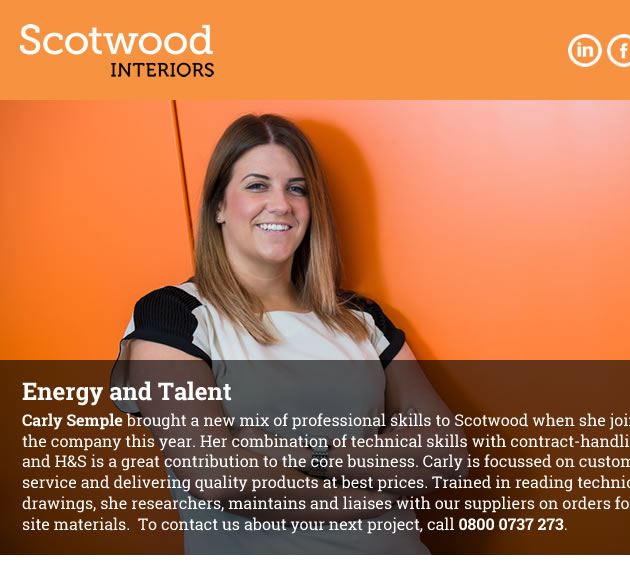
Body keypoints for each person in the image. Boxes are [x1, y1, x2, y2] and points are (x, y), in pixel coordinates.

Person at [111, 114, 467, 554]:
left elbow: (448, 454)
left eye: (297, 189)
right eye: (257, 185)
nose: (280, 204)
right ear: (218, 207)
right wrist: (366, 496)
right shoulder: (173, 315)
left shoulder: (361, 317)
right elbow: (212, 473)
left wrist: (312, 456)